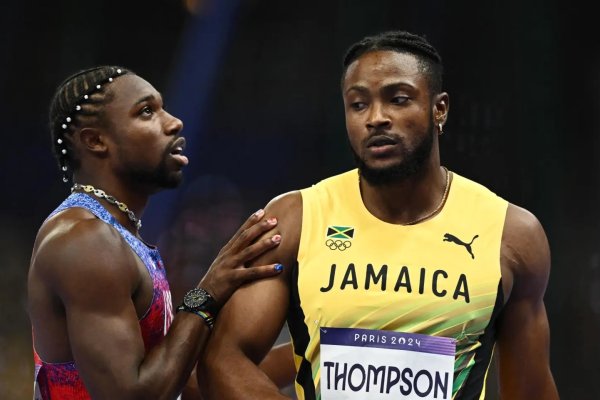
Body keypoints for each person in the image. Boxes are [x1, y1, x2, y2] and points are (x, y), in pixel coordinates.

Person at [198, 30, 560, 399]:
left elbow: (530, 388)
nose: (376, 118)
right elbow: (226, 359)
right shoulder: (295, 220)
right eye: (358, 105)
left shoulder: (510, 234)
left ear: (440, 109)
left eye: (398, 99)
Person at [27, 65, 285, 399]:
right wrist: (207, 292)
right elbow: (135, 396)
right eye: (147, 111)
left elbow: (179, 382)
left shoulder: (116, 236)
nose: (174, 122)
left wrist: (316, 345)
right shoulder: (85, 241)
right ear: (96, 140)